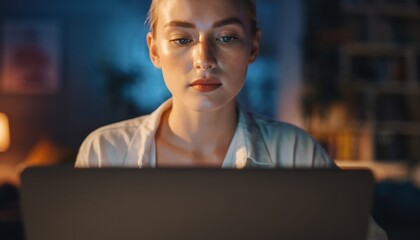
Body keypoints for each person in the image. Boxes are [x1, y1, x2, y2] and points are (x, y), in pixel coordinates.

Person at [75, 0, 387, 239]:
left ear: (253, 46)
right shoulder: (105, 152)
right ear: (154, 50)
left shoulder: (297, 155)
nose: (204, 60)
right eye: (182, 40)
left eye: (226, 37)